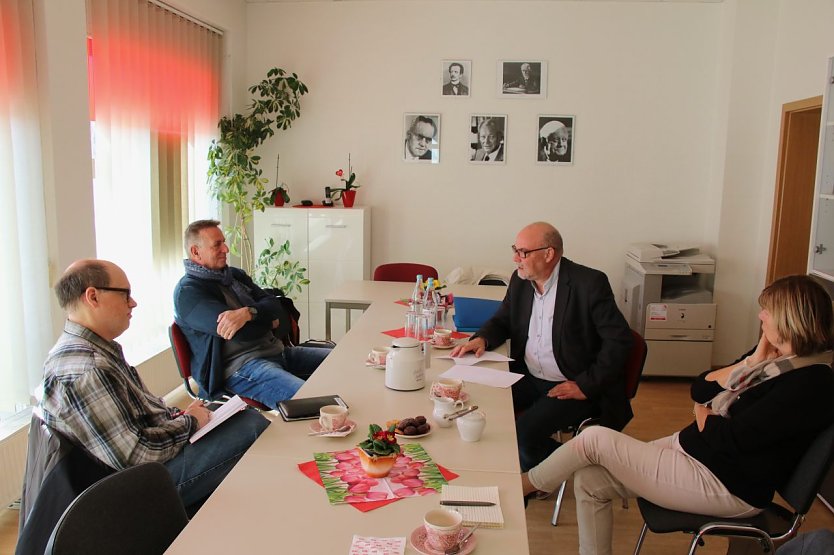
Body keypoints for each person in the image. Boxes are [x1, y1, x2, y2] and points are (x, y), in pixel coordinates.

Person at [521, 275, 834, 555]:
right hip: (696, 454)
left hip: (726, 484)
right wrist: (750, 362)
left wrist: (703, 414)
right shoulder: (770, 359)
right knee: (590, 479)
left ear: (791, 318)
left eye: (768, 311)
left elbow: (730, 438)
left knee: (594, 439)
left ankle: (524, 485)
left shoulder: (810, 383)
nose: (760, 316)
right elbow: (700, 389)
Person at [39, 259, 269, 512]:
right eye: (125, 294)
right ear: (92, 297)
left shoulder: (91, 350)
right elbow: (136, 456)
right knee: (252, 427)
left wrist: (181, 416)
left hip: (145, 468)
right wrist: (190, 422)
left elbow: (140, 417)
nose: (133, 303)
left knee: (231, 416)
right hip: (135, 491)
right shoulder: (87, 368)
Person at [451, 222, 632, 471]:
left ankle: (586, 468)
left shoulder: (589, 284)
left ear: (549, 254)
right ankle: (531, 471)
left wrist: (586, 385)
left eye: (523, 252)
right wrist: (482, 338)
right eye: (515, 250)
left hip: (571, 383)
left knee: (522, 437)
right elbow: (503, 319)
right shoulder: (521, 280)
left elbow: (619, 341)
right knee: (476, 407)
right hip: (529, 376)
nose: (516, 258)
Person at [174, 219, 329, 408]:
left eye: (224, 242)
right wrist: (268, 321)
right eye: (217, 245)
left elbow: (275, 305)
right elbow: (241, 335)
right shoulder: (189, 293)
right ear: (195, 252)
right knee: (312, 403)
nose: (226, 249)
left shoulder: (234, 275)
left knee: (345, 362)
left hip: (277, 351)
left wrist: (249, 313)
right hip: (241, 368)